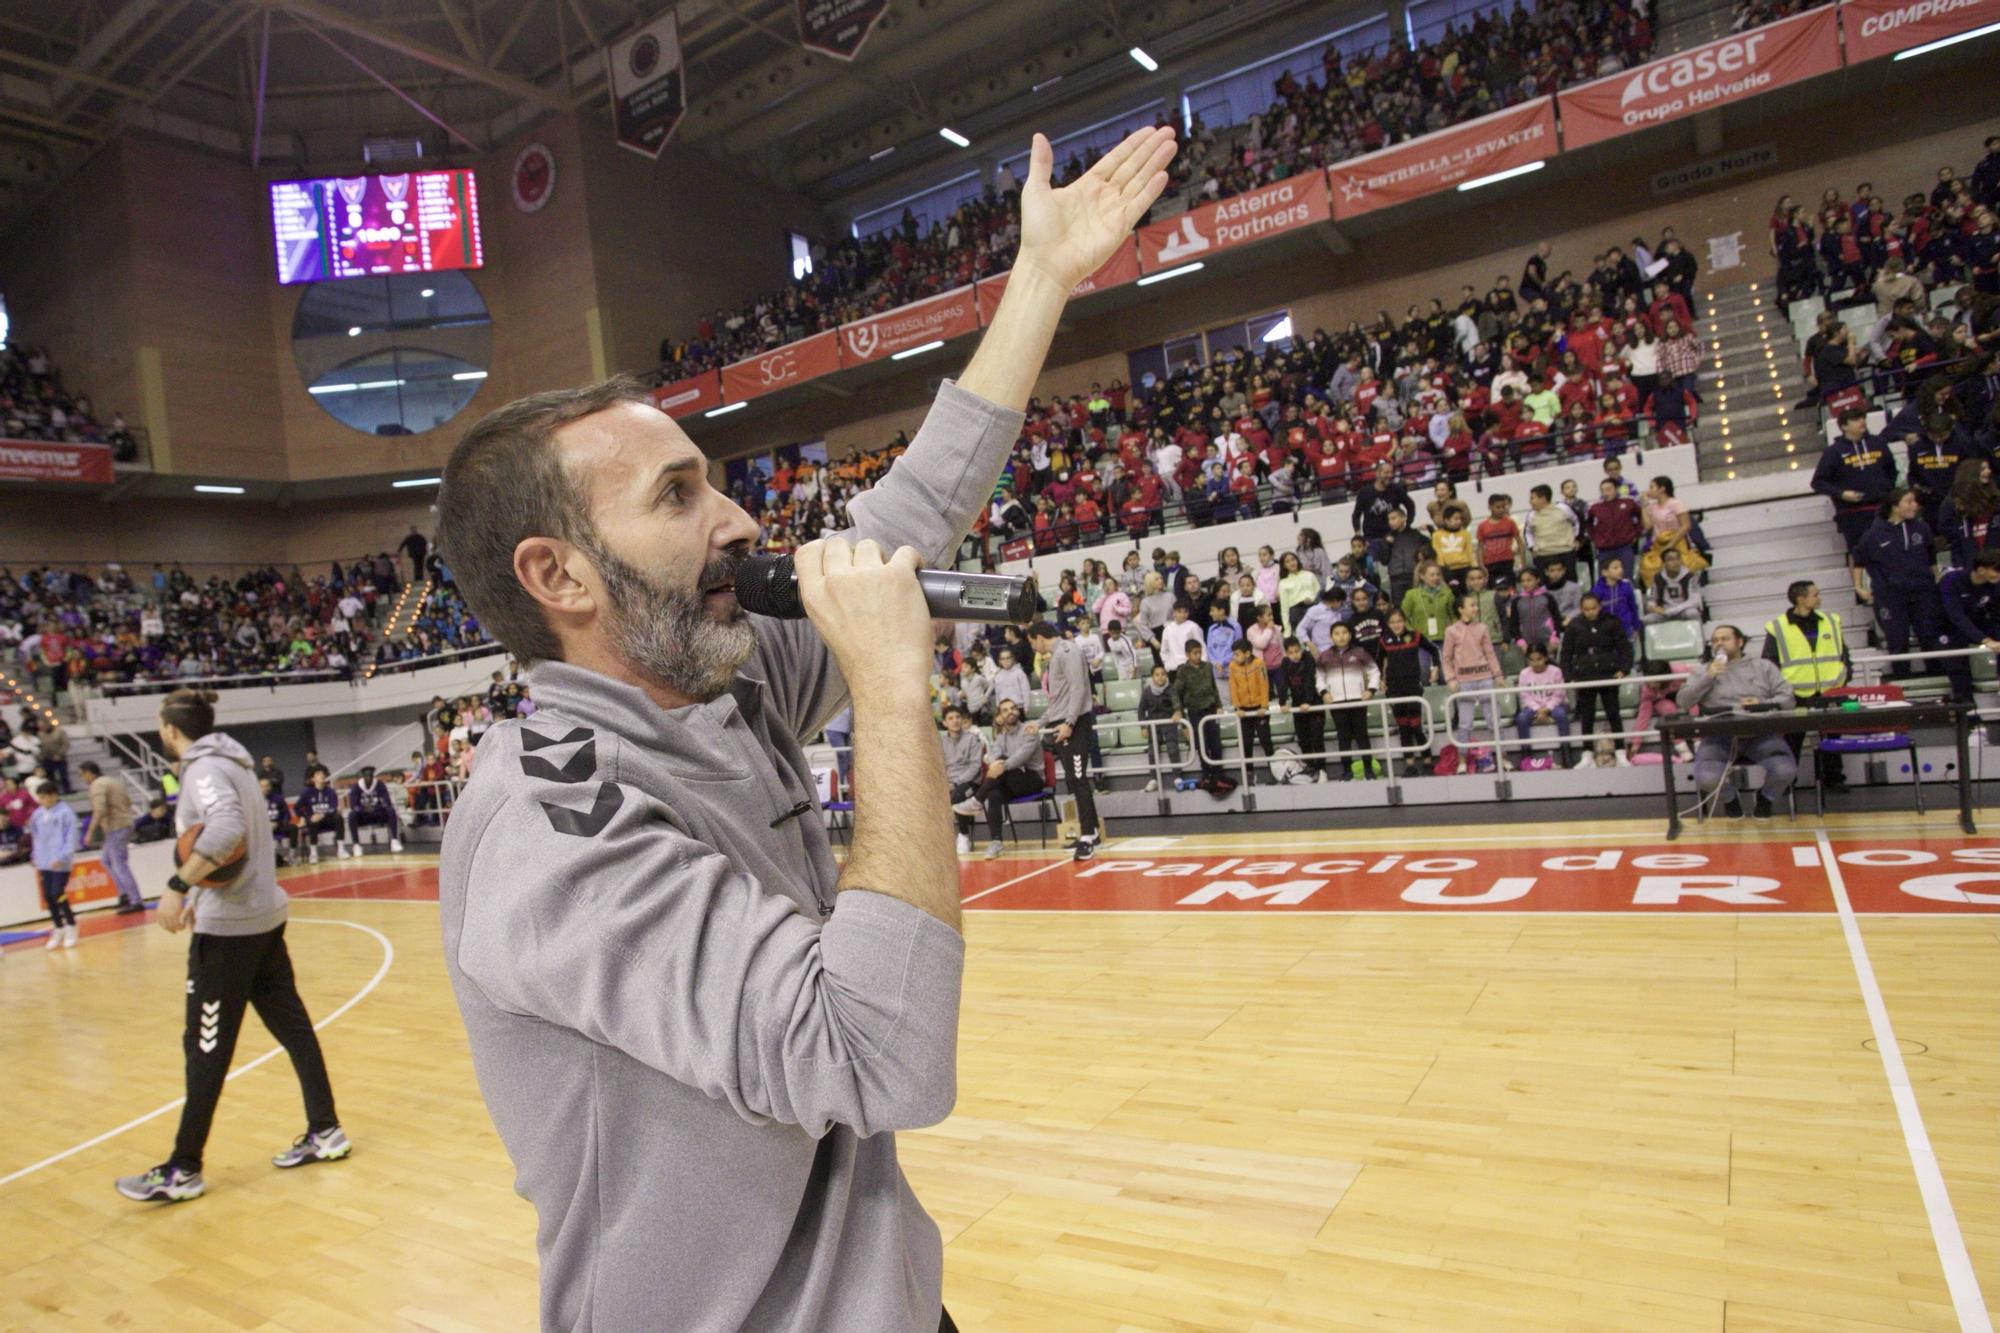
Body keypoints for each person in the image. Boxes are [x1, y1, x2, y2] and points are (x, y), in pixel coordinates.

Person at [430, 122, 1175, 1333]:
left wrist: (1038, 278)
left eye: (712, 479)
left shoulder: (715, 680)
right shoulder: (551, 829)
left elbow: (915, 508)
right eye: (677, 496)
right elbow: (878, 1054)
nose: (736, 520)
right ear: (557, 577)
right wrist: (889, 692)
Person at [116, 688, 346, 1205]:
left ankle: (183, 1168)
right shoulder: (236, 764)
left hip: (229, 935)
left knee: (204, 1049)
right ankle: (326, 1129)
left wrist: (178, 886)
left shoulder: (203, 771)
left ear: (172, 730)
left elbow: (225, 830)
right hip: (262, 917)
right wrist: (202, 887)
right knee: (295, 1029)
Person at [1677, 625, 1798, 819]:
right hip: (1718, 737)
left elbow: (1788, 699)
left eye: (1724, 639)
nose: (1719, 644)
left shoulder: (1763, 667)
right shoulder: (1702, 670)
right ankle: (1730, 798)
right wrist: (1709, 676)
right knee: (1706, 778)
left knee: (1785, 770)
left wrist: (1763, 703)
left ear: (1740, 642)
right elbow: (1683, 702)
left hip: (1761, 734)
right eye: (1715, 640)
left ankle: (1765, 798)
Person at [1762, 580, 1852, 791]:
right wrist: (1782, 691)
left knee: (1832, 736)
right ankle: (1786, 782)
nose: (1819, 598)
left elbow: (1843, 653)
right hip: (1795, 693)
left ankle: (1834, 779)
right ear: (1801, 599)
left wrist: (1844, 678)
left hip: (1830, 689)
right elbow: (1770, 662)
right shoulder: (1777, 627)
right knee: (1792, 739)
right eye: (1815, 594)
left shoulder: (1831, 620)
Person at [1028, 619, 1101, 859]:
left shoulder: (1067, 651)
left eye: (1031, 642)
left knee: (1078, 779)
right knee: (1074, 779)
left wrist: (1069, 723)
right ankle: (1093, 832)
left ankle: (1088, 836)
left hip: (1075, 724)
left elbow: (1078, 688)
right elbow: (1057, 700)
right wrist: (1038, 723)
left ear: (1039, 636)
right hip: (1064, 723)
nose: (1033, 648)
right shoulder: (1057, 655)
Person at [1811, 408, 1899, 602]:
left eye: (1863, 417)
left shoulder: (1878, 443)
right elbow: (1818, 482)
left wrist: (1886, 490)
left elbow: (1891, 469)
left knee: (1890, 547)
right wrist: (1842, 494)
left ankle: (1893, 585)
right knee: (1858, 551)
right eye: (1856, 419)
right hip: (1853, 512)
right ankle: (1862, 592)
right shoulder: (1834, 452)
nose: (1862, 421)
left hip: (1882, 507)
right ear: (1843, 426)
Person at [1856, 488, 1944, 678]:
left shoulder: (1922, 528)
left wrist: (1936, 577)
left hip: (1922, 590)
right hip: (1890, 595)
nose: (1915, 505)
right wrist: (1859, 588)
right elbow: (1857, 561)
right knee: (1897, 640)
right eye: (1909, 501)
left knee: (1929, 634)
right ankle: (1902, 681)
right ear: (1895, 507)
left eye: (1915, 502)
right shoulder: (1874, 534)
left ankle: (1937, 675)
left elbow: (1931, 557)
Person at [1561, 592, 1632, 767]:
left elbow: (1624, 647)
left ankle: (1621, 751)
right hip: (1584, 676)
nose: (1591, 612)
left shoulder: (1612, 622)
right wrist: (1569, 676)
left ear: (1600, 607)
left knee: (1613, 713)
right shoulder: (1574, 625)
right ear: (1581, 609)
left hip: (1608, 673)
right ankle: (1587, 754)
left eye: (1594, 608)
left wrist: (1624, 669)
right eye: (1586, 609)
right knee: (1587, 716)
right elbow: (1566, 653)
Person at [1315, 622, 1380, 780]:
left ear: (1350, 635)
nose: (1341, 636)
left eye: (1344, 632)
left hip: (1357, 701)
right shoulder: (1325, 656)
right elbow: (1319, 677)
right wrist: (1324, 693)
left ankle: (1368, 769)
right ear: (1331, 637)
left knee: (1361, 736)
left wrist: (1370, 690)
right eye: (1337, 633)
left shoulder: (1360, 652)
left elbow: (1374, 671)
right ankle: (1347, 771)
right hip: (1336, 702)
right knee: (1343, 737)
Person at [80, 760, 146, 913]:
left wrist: (90, 832)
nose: (83, 779)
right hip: (124, 824)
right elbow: (128, 801)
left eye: (83, 775)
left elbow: (99, 809)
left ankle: (135, 900)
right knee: (106, 860)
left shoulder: (97, 785)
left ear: (89, 773)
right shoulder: (112, 781)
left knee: (119, 864)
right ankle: (124, 895)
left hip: (116, 827)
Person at [1442, 594, 1504, 756]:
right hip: (1464, 681)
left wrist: (1497, 674)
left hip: (1485, 678)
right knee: (1465, 723)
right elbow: (1446, 658)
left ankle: (1502, 757)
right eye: (1471, 605)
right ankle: (1462, 760)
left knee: (1494, 721)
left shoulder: (1482, 628)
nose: (1475, 608)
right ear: (1461, 609)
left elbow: (1490, 653)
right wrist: (1451, 679)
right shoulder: (1451, 631)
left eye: (1476, 605)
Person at [1940, 550, 2000, 702]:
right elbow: (1956, 616)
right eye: (1996, 570)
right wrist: (1985, 640)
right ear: (1981, 570)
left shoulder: (1995, 584)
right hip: (1946, 625)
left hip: (1978, 620)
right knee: (1958, 666)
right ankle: (1968, 715)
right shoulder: (1951, 580)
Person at [29, 780, 81, 948]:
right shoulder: (37, 815)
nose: (44, 801)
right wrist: (35, 855)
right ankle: (58, 927)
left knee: (58, 892)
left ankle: (71, 925)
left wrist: (63, 857)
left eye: (47, 797)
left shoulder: (66, 814)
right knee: (48, 896)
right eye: (41, 798)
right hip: (44, 861)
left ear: (54, 795)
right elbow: (35, 837)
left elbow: (71, 838)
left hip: (60, 862)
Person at [1170, 639, 1225, 782]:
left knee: (1216, 742)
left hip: (1211, 709)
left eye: (1200, 652)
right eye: (1195, 653)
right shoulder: (1182, 671)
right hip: (1195, 712)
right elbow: (1175, 692)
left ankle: (1219, 773)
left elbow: (1214, 688)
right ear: (1187, 654)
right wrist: (1178, 709)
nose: (1198, 656)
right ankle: (1206, 773)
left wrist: (1219, 705)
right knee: (1202, 744)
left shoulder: (1207, 667)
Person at [940, 705, 990, 857]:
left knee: (957, 796)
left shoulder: (972, 740)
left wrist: (955, 783)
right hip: (947, 783)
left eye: (957, 717)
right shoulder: (941, 742)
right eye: (951, 718)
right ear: (944, 723)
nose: (955, 721)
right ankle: (940, 839)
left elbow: (975, 767)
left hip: (971, 784)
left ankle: (963, 836)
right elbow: (938, 765)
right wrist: (942, 783)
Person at [1512, 644, 1572, 766]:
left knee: (1560, 715)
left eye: (1539, 659)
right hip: (1533, 706)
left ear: (1545, 658)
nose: (1536, 663)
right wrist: (1538, 709)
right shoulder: (1524, 673)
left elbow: (1558, 694)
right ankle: (1526, 757)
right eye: (1532, 660)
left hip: (1556, 704)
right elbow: (1524, 695)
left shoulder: (1556, 671)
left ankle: (1566, 754)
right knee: (1521, 718)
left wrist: (1547, 708)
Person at [1226, 639, 1274, 783]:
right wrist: (1237, 707)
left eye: (1237, 654)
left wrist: (1264, 706)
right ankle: (1249, 774)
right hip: (1244, 711)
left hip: (1260, 709)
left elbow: (1264, 684)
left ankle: (1275, 771)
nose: (1235, 657)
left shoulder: (1259, 664)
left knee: (1266, 742)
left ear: (1247, 653)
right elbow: (1233, 687)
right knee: (1246, 743)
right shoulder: (1233, 666)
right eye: (1234, 654)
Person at [342, 764, 406, 857]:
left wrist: (376, 808)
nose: (368, 778)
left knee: (390, 811)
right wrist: (363, 809)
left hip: (377, 813)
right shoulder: (356, 787)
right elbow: (353, 805)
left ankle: (394, 841)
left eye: (370, 776)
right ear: (363, 777)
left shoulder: (379, 785)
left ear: (373, 776)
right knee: (352, 815)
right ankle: (356, 845)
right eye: (366, 776)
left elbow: (386, 801)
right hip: (363, 815)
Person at [1138, 662, 1182, 789]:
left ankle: (1177, 776)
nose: (1160, 677)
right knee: (1152, 750)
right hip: (1153, 725)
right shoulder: (1147, 691)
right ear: (1152, 677)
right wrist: (1143, 727)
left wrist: (1177, 711)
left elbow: (1176, 702)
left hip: (1168, 723)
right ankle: (1153, 779)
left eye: (1163, 674)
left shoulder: (1171, 689)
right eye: (1157, 675)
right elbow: (1141, 710)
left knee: (1172, 747)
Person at [294, 765, 342, 864]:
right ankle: (313, 853)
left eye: (323, 773)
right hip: (314, 822)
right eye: (318, 774)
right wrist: (303, 817)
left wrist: (322, 815)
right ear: (313, 779)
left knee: (338, 818)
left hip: (328, 820)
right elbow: (297, 807)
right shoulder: (307, 792)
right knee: (312, 821)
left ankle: (341, 849)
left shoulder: (330, 791)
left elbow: (333, 807)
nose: (322, 775)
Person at [1644, 547, 1705, 624]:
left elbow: (1695, 601)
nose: (1675, 562)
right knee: (1646, 620)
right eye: (1671, 559)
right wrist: (1652, 607)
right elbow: (1652, 599)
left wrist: (1673, 610)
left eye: (1678, 558)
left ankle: (1698, 635)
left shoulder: (1690, 576)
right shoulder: (1658, 578)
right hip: (1664, 612)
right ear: (1664, 563)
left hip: (1683, 610)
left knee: (1693, 613)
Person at [1592, 556, 1643, 638]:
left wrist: (1636, 627)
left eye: (1621, 567)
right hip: (1605, 630)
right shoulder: (1597, 590)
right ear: (1605, 572)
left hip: (1625, 627)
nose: (1620, 570)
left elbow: (1633, 607)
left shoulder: (1626, 587)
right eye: (1616, 568)